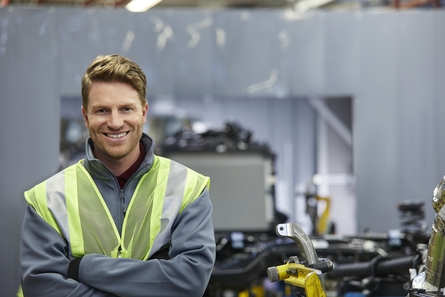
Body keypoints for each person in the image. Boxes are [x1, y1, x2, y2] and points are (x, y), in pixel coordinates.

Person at [19, 54, 216, 297]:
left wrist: (83, 267)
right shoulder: (47, 198)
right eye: (102, 110)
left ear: (143, 112)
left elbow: (189, 282)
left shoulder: (188, 188)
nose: (115, 122)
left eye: (126, 109)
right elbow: (41, 289)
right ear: (85, 116)